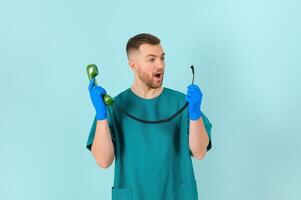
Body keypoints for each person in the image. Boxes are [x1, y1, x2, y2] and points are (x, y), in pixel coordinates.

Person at [86, 33, 213, 200]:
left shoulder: (182, 103)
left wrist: (195, 114)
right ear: (133, 65)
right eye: (151, 59)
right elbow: (103, 161)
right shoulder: (115, 107)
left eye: (162, 58)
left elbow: (200, 152)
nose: (160, 65)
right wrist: (102, 115)